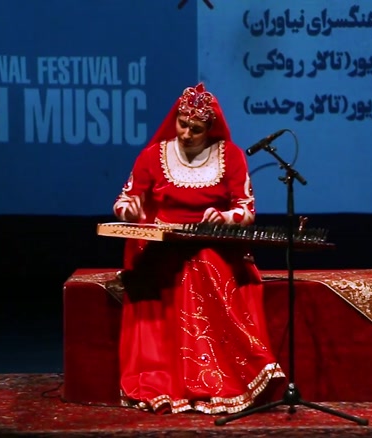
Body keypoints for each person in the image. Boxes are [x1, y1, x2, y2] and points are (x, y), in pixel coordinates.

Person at [111, 82, 285, 414]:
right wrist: (129, 211)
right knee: (183, 267)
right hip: (164, 247)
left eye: (196, 129)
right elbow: (124, 201)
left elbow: (246, 209)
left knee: (204, 262)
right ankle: (178, 378)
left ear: (210, 129)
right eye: (182, 124)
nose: (187, 133)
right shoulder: (153, 157)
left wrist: (224, 217)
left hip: (211, 244)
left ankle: (232, 373)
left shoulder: (230, 156)